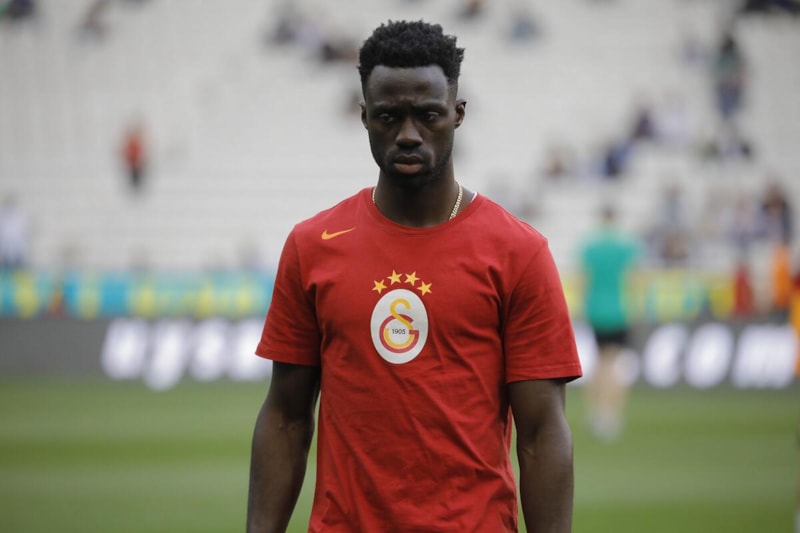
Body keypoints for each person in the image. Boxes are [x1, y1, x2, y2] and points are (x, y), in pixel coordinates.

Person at [247, 20, 582, 533]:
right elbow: (286, 418)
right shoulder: (313, 246)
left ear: (457, 114)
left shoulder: (518, 252)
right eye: (388, 116)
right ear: (364, 116)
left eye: (428, 115)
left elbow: (541, 434)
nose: (408, 134)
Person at [579, 205, 641, 441]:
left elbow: (584, 280)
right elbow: (632, 279)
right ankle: (611, 414)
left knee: (599, 363)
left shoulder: (591, 247)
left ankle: (595, 412)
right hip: (619, 311)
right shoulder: (625, 247)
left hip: (595, 310)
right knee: (615, 364)